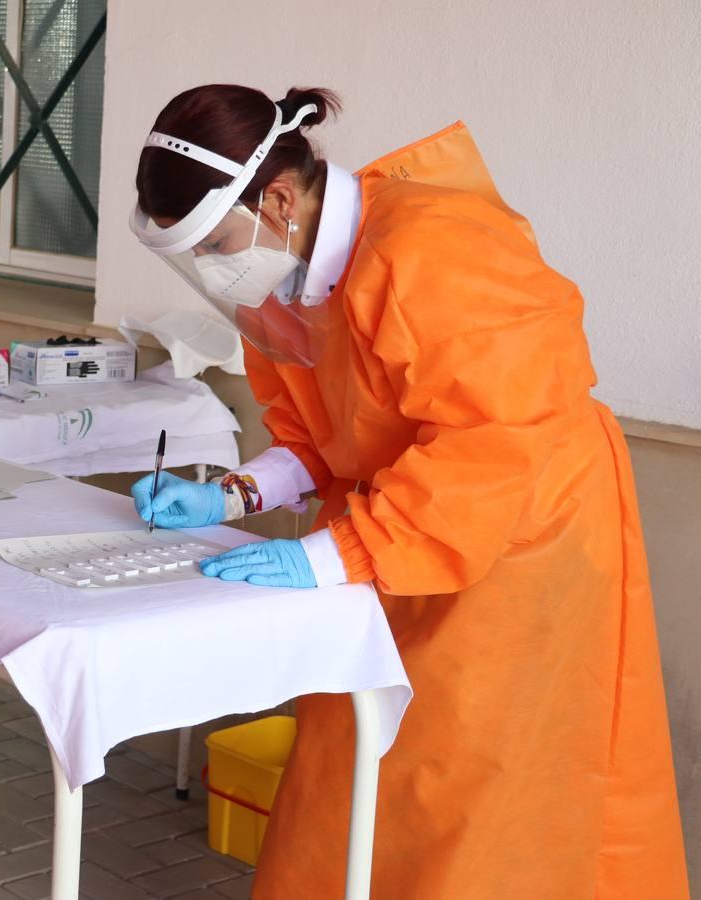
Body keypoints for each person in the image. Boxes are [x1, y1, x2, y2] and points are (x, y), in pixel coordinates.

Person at [128, 85, 688, 898]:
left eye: (215, 244)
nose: (215, 268)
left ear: (279, 198)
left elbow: (492, 441)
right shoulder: (293, 286)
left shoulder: (436, 247)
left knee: (478, 786)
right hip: (408, 530)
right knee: (354, 762)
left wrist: (337, 553)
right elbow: (326, 440)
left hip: (522, 542)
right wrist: (232, 495)